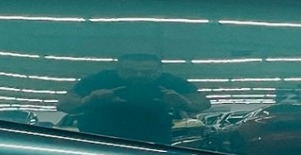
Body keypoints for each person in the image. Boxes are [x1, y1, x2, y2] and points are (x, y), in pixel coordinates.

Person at [58, 53, 209, 146]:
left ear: (159, 71)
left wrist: (184, 102)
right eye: (131, 71)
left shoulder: (171, 82)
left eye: (147, 72)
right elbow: (63, 105)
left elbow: (203, 103)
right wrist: (90, 100)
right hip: (99, 142)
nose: (139, 75)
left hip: (155, 145)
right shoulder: (99, 80)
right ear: (117, 70)